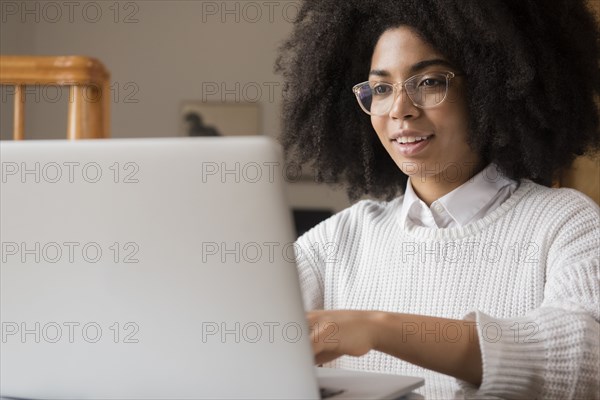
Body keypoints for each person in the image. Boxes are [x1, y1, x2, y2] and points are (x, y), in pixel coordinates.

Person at [275, 0, 600, 398]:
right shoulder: (337, 240)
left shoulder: (566, 222)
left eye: (428, 82)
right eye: (381, 88)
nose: (399, 110)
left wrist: (377, 328)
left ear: (490, 87)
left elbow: (585, 361)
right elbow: (234, 329)